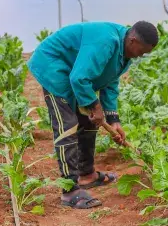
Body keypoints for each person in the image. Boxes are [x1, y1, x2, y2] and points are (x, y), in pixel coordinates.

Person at [29, 21, 158, 209]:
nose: (142, 56)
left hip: (74, 71)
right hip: (54, 66)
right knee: (68, 127)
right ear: (133, 40)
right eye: (142, 51)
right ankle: (70, 191)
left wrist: (113, 120)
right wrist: (93, 104)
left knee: (90, 122)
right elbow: (79, 78)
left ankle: (86, 174)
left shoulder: (124, 53)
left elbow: (110, 83)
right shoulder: (106, 41)